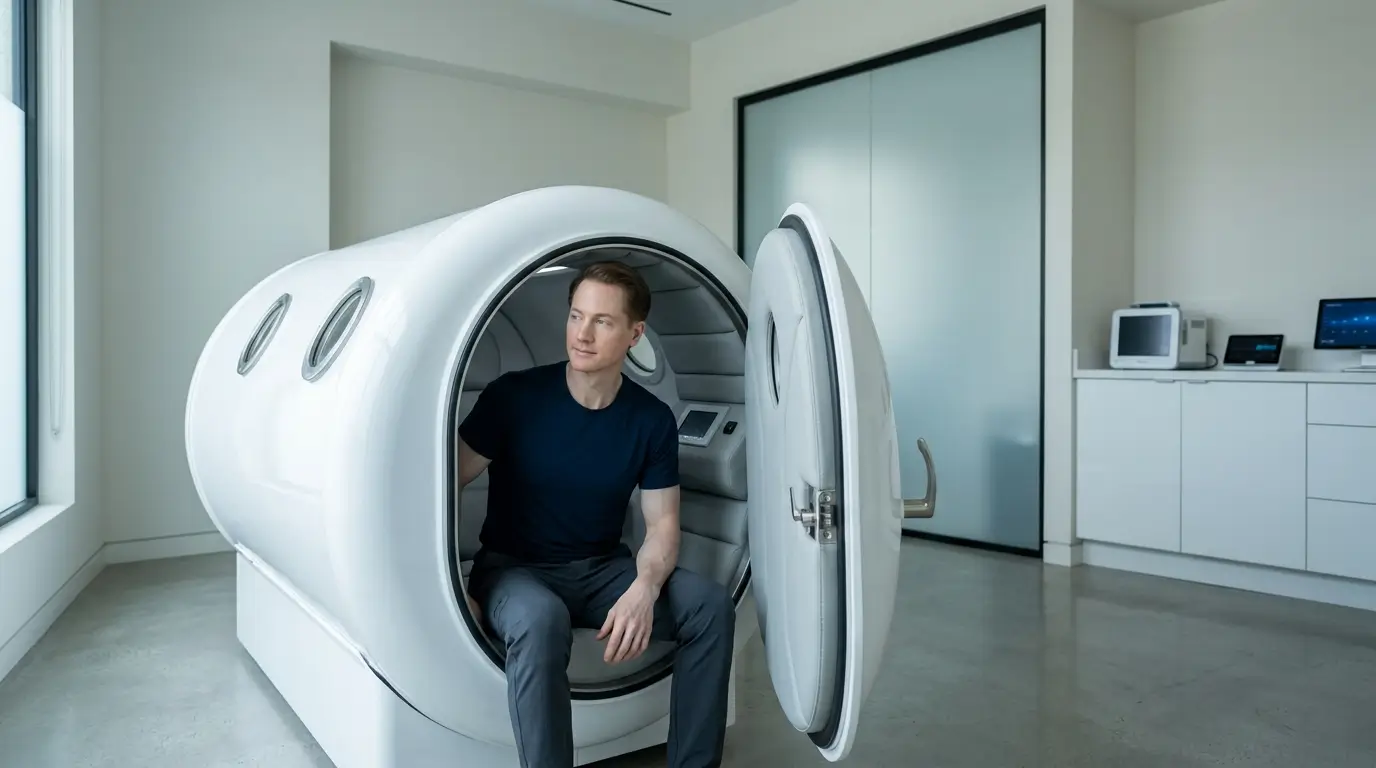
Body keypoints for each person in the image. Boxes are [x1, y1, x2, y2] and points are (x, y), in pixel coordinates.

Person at [457, 260, 736, 768]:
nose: (582, 334)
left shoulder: (650, 421)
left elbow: (662, 527)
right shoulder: (513, 398)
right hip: (514, 570)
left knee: (710, 607)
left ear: (635, 334)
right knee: (542, 620)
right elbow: (439, 485)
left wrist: (644, 589)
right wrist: (448, 591)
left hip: (604, 569)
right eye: (575, 316)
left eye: (602, 321)